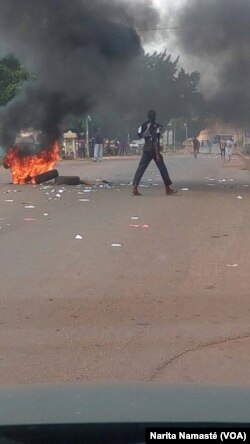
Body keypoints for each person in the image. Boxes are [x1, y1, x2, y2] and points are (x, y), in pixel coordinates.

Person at [132, 110, 177, 196]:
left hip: (146, 149)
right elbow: (154, 140)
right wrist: (157, 154)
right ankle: (168, 189)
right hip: (153, 150)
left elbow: (140, 135)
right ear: (155, 116)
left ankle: (135, 187)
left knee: (141, 168)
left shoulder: (144, 125)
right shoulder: (157, 126)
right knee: (162, 168)